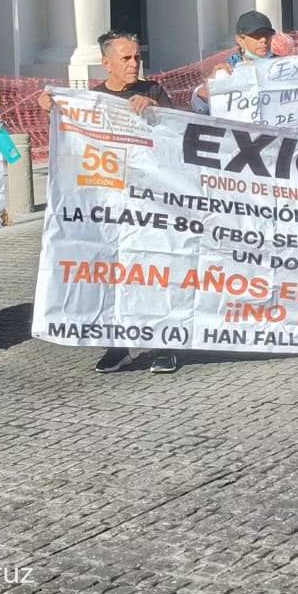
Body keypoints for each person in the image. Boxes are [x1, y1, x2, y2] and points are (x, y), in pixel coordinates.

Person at [37, 31, 178, 373]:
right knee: (111, 272)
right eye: (126, 58)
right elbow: (71, 138)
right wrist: (51, 108)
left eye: (137, 57)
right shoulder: (92, 99)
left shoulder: (153, 91)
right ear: (106, 63)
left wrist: (157, 111)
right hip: (108, 203)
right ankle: (116, 345)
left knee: (154, 270)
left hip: (149, 202)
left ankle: (164, 343)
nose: (134, 63)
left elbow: (177, 135)